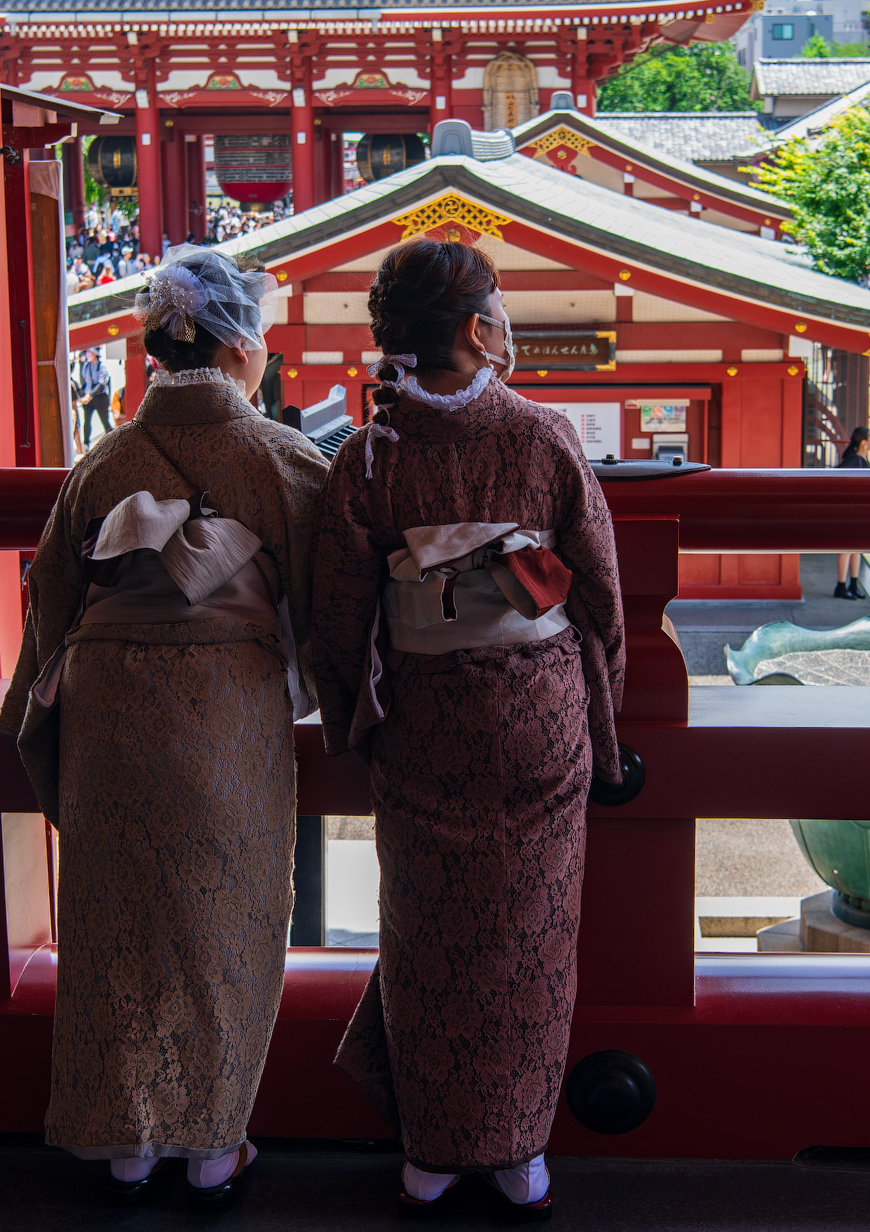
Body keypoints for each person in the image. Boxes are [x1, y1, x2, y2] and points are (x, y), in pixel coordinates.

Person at [0, 247, 328, 1207]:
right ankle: (214, 1143)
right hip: (226, 708)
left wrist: (34, 717)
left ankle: (127, 1143)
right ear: (235, 345)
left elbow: (51, 596)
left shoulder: (100, 464)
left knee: (117, 924)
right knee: (224, 918)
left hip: (107, 709)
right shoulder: (282, 458)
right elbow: (326, 602)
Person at [307, 239, 624, 1218]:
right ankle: (521, 1151)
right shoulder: (543, 435)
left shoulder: (366, 455)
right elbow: (599, 593)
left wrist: (357, 717)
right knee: (530, 936)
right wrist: (601, 717)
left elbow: (336, 611)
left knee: (425, 932)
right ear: (482, 329)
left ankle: (430, 1154)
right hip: (536, 720)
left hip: (424, 726)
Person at [834, 426, 870, 600]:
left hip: (859, 512)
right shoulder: (854, 461)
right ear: (864, 442)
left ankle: (854, 584)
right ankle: (841, 585)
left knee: (856, 549)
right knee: (847, 549)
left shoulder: (861, 460)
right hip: (849, 512)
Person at [76, 348, 111, 448]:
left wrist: (91, 395)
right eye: (87, 352)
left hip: (100, 397)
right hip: (88, 398)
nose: (88, 354)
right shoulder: (86, 366)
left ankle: (110, 439)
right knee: (86, 421)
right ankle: (86, 444)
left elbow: (101, 384)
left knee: (104, 420)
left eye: (90, 352)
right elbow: (83, 381)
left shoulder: (101, 366)